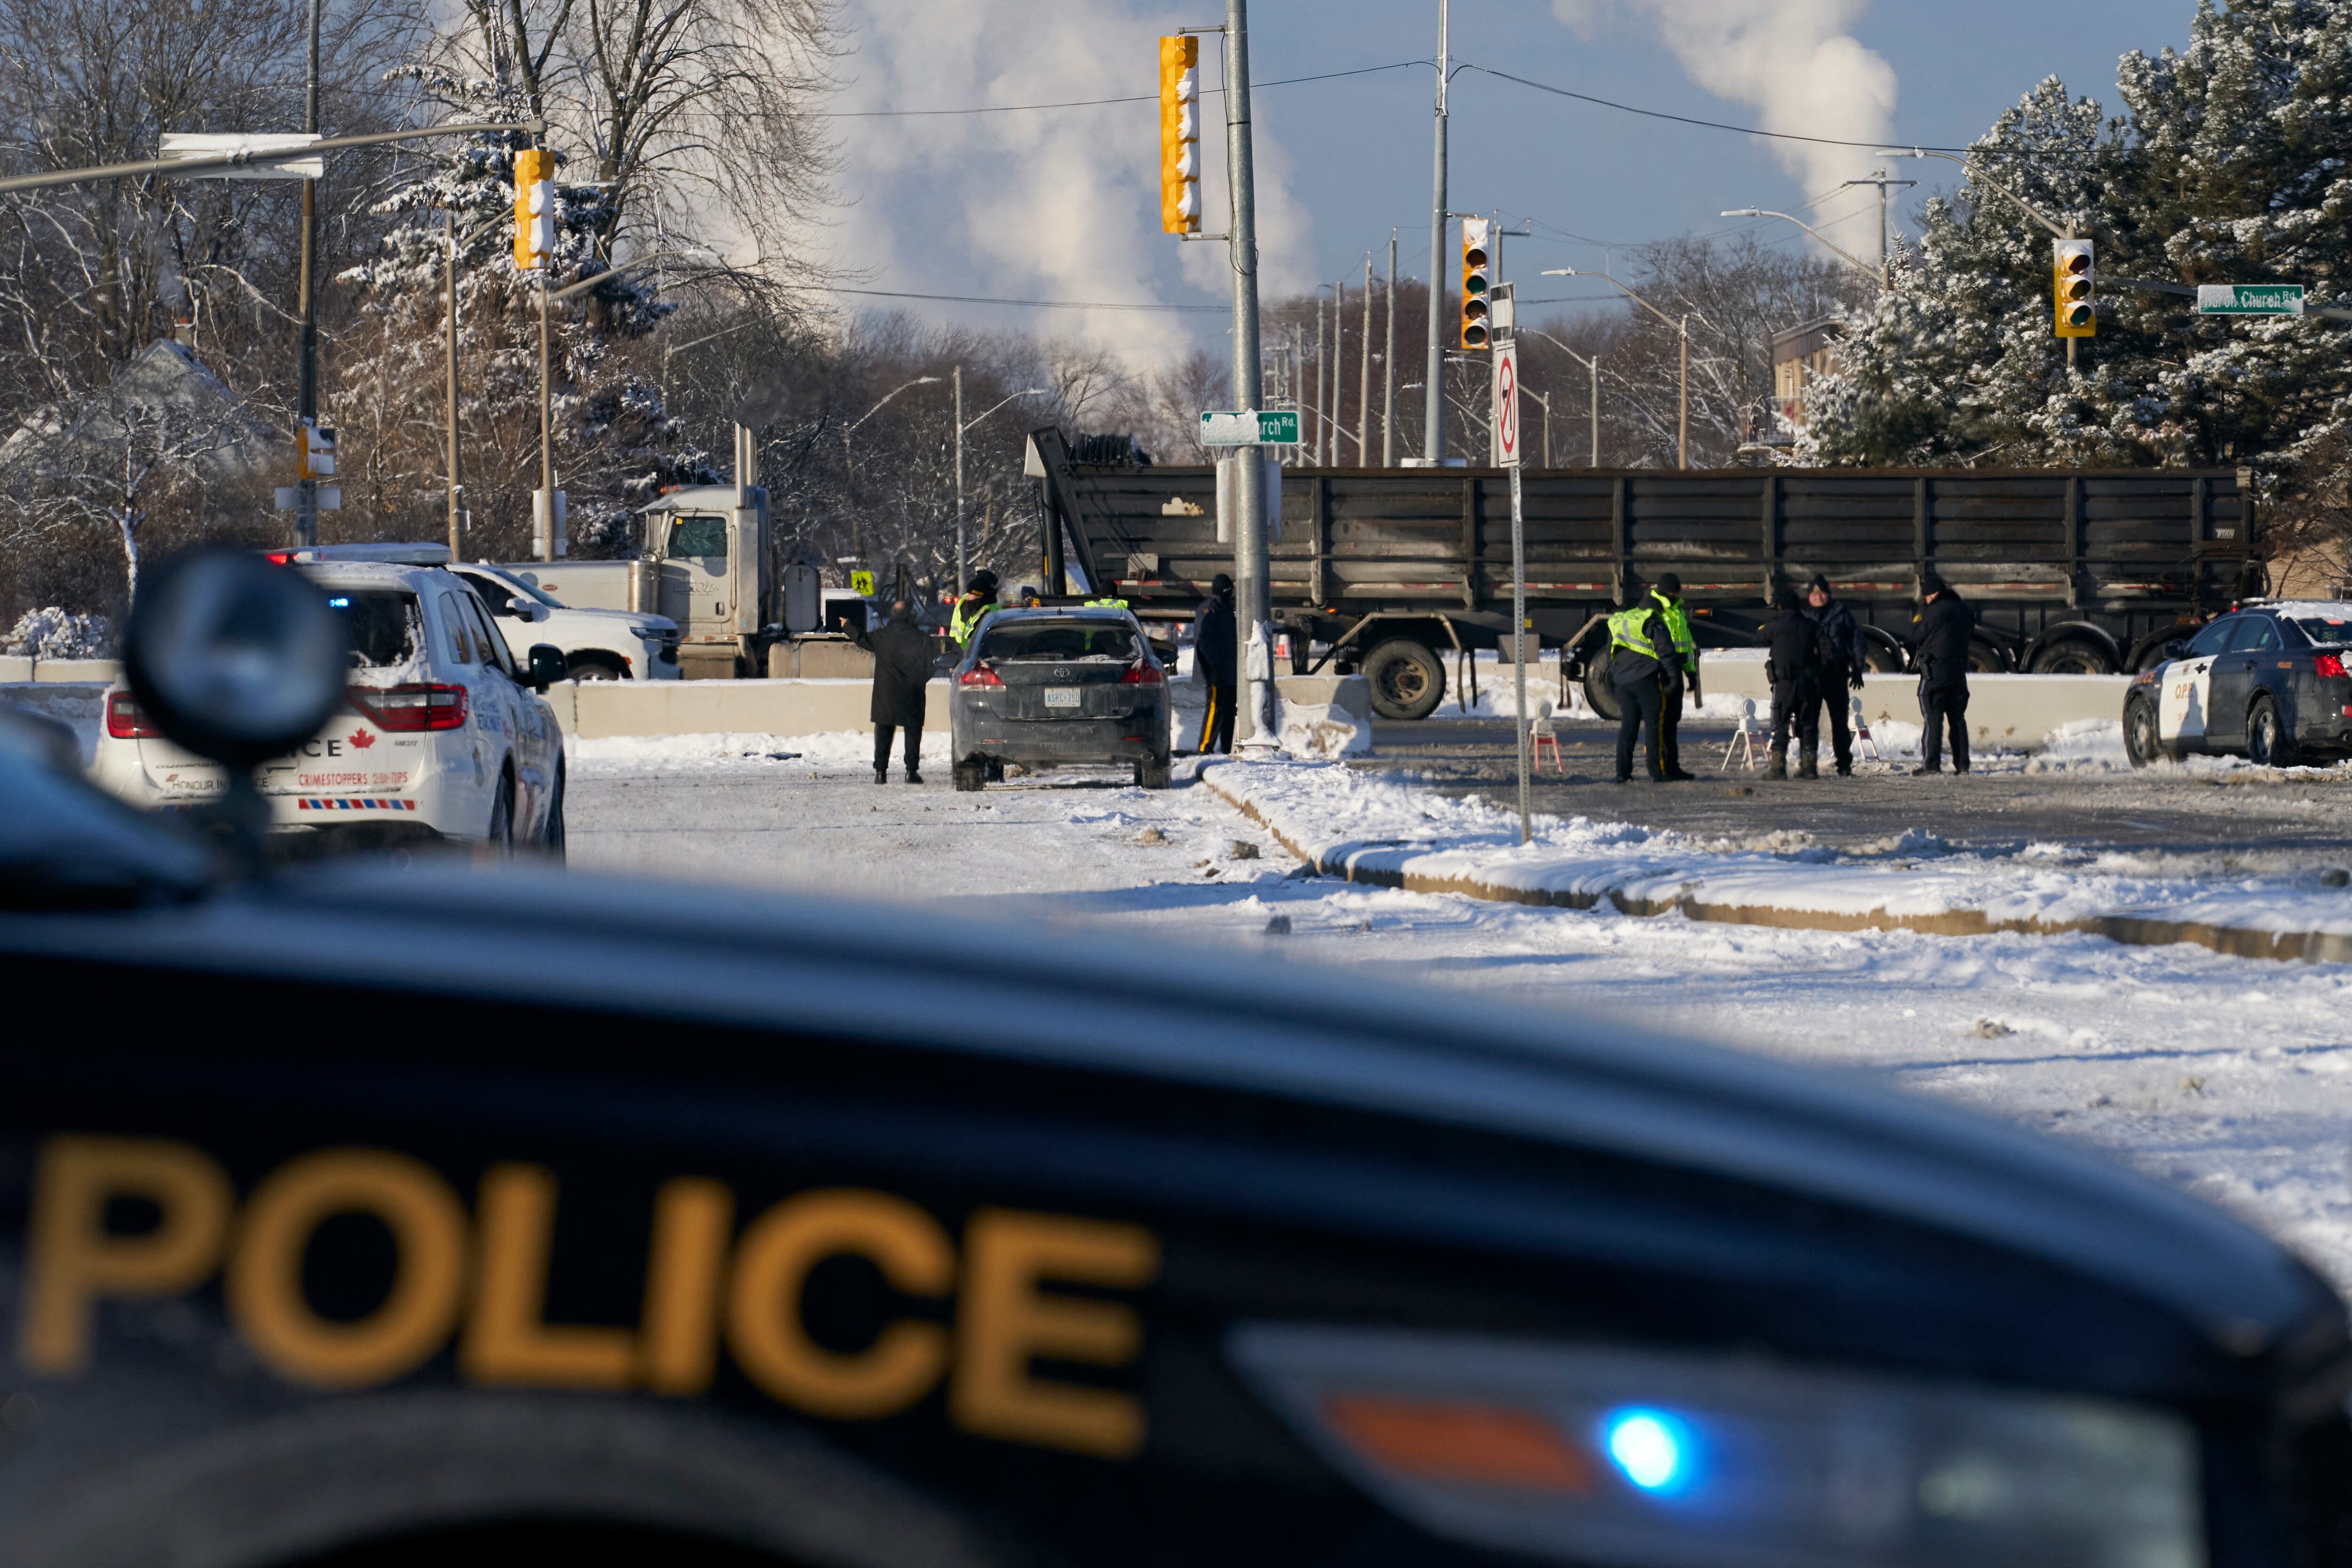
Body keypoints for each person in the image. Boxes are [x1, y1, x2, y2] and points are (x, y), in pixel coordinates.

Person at [1606, 575, 1691, 784]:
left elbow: (1610, 653)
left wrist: (1617, 674)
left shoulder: (1622, 620)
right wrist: (1674, 678)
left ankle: (1622, 773)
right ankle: (1658, 772)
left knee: (1629, 728)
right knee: (1655, 728)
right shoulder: (1652, 620)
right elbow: (1666, 651)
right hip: (1646, 681)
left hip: (1623, 682)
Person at [854, 599, 937, 784]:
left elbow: (862, 638)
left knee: (883, 732)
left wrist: (847, 626)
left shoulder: (882, 636)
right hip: (913, 693)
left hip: (886, 695)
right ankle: (911, 772)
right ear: (911, 615)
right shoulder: (922, 638)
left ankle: (881, 773)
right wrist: (921, 679)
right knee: (913, 733)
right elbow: (933, 663)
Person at [1801, 574, 1865, 778]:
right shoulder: (1802, 616)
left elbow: (1857, 642)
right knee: (1810, 722)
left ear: (1828, 595)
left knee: (1840, 723)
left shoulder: (1841, 614)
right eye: (1814, 594)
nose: (1818, 597)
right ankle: (1809, 766)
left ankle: (1844, 765)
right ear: (1809, 597)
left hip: (1836, 676)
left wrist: (1857, 668)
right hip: (1812, 678)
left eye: (1822, 593)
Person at [1913, 571, 1975, 775]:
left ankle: (1931, 765)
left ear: (1933, 594)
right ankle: (1963, 765)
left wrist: (1923, 612)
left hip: (1936, 672)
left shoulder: (1932, 611)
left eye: (1926, 597)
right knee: (1957, 719)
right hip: (1958, 672)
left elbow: (1915, 635)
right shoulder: (1964, 610)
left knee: (1933, 718)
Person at [1762, 585, 1817, 782]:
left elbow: (1761, 637)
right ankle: (1809, 768)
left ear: (1780, 605)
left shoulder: (1775, 624)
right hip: (1806, 683)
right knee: (1807, 724)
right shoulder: (1809, 624)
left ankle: (1778, 769)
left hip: (1784, 683)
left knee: (1781, 724)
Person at [1192, 573, 1238, 754]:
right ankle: (1205, 747)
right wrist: (1215, 666)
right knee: (1215, 708)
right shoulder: (1210, 609)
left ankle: (1227, 748)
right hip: (1216, 670)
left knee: (1229, 710)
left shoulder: (1227, 608)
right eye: (1229, 590)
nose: (1231, 593)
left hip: (1230, 670)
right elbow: (1204, 641)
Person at [947, 570, 1002, 651]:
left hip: (979, 652)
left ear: (980, 595)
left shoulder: (992, 612)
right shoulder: (964, 603)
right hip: (961, 648)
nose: (967, 597)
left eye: (971, 594)